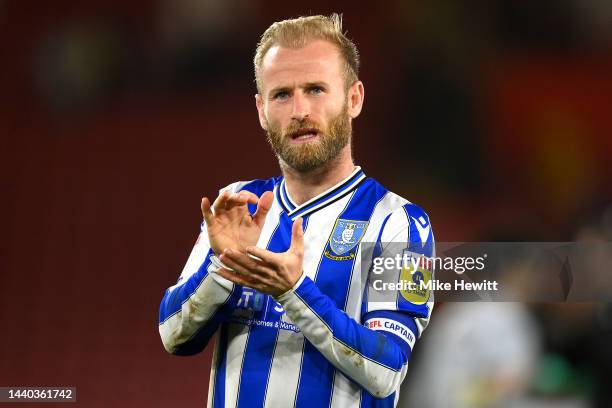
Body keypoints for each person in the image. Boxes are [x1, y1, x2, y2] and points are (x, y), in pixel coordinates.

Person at [158, 14, 435, 408]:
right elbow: (173, 336)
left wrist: (293, 291)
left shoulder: (401, 223)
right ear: (261, 110)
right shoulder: (239, 205)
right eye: (282, 94)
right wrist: (222, 267)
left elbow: (385, 370)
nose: (299, 110)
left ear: (354, 98)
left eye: (316, 89)